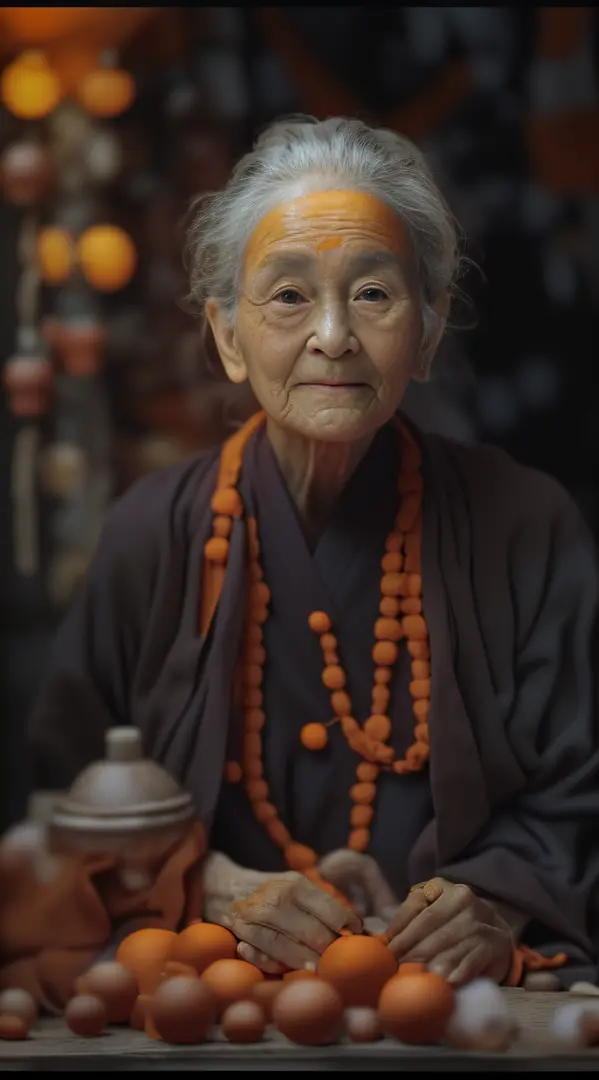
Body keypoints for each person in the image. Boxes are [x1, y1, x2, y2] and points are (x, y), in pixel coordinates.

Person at [1, 116, 598, 1008]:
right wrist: (206, 887)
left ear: (427, 335)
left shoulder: (525, 524)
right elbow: (54, 815)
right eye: (287, 296)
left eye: (372, 294)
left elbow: (576, 800)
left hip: (455, 1005)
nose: (331, 335)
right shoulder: (152, 535)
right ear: (228, 337)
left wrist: (495, 903)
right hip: (210, 996)